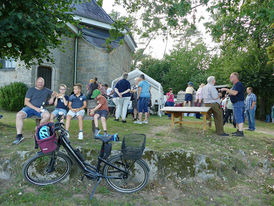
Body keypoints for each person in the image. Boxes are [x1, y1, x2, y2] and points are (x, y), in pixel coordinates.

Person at [14, 77, 56, 144]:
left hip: (41, 108)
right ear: (36, 83)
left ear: (43, 83)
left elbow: (54, 93)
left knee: (47, 115)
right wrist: (35, 108)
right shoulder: (31, 90)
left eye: (41, 82)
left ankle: (38, 129)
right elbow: (26, 102)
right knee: (19, 115)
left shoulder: (46, 90)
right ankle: (19, 136)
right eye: (39, 82)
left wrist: (52, 98)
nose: (40, 84)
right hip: (30, 108)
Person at [221, 72, 245, 136]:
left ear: (236, 77)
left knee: (239, 117)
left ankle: (240, 132)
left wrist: (226, 89)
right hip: (236, 103)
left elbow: (235, 93)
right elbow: (232, 93)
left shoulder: (238, 84)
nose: (230, 78)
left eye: (231, 76)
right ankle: (238, 130)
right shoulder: (235, 85)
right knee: (237, 117)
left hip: (238, 103)